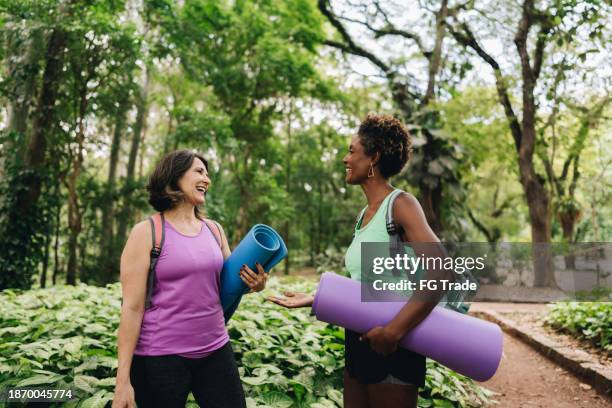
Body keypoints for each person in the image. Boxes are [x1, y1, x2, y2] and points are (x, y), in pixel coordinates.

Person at [267, 114, 445, 408]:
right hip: (359, 340)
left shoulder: (400, 205)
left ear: (373, 157)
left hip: (394, 345)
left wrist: (393, 332)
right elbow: (366, 285)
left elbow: (441, 273)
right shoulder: (364, 215)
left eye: (351, 150)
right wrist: (317, 298)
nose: (344, 159)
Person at [112, 149, 267, 408]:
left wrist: (255, 284)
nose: (206, 179)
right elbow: (132, 307)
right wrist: (122, 381)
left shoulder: (214, 230)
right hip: (160, 358)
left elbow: (231, 283)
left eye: (207, 174)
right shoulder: (147, 232)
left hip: (216, 349)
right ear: (174, 177)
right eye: (199, 171)